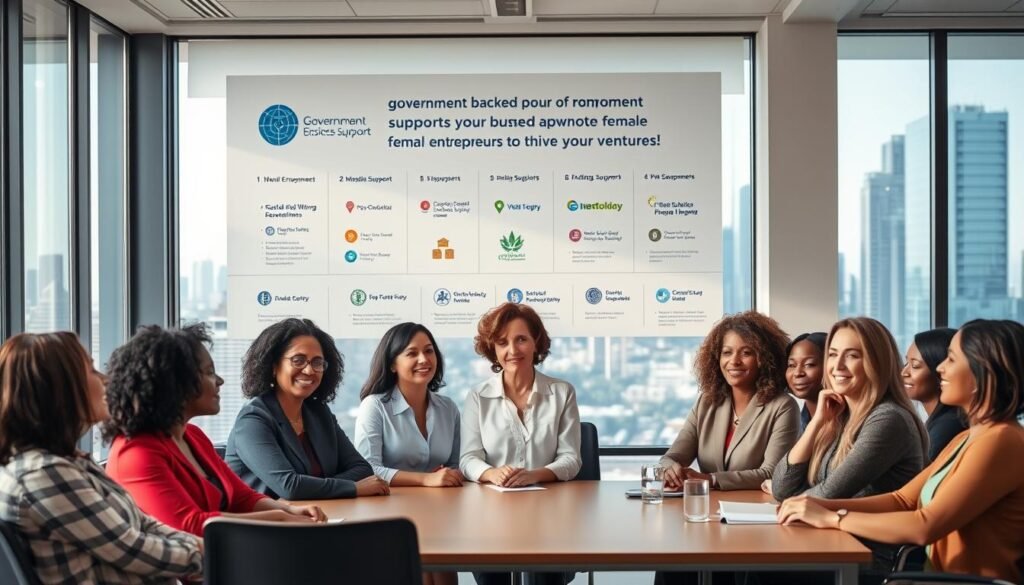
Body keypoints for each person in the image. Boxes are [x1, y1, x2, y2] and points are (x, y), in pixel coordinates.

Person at [778, 319, 1024, 584]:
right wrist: (814, 505)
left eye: (951, 359)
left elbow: (924, 526)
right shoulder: (969, 436)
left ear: (982, 373)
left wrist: (831, 517)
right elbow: (902, 500)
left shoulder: (1002, 441)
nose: (939, 368)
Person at [0, 332, 202, 585]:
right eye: (93, 370)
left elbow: (143, 524)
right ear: (62, 389)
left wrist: (200, 547)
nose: (105, 380)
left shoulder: (71, 463)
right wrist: (207, 553)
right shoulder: (45, 474)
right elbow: (133, 549)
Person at [104, 324, 326, 537]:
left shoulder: (193, 436)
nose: (219, 380)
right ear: (175, 383)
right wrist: (277, 518)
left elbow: (241, 497)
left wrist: (288, 511)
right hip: (188, 571)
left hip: (227, 556)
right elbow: (189, 528)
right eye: (209, 372)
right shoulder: (135, 453)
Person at [771, 317, 928, 574]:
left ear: (876, 362)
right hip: (836, 543)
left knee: (761, 571)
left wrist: (795, 502)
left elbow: (828, 495)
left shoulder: (887, 419)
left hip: (871, 557)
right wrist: (817, 423)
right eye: (833, 355)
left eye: (852, 355)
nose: (837, 366)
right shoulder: (840, 415)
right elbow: (782, 488)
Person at [461, 302, 580, 585]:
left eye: (521, 339)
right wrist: (492, 473)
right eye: (502, 343)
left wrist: (533, 475)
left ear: (536, 343)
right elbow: (468, 458)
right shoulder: (478, 396)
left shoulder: (562, 392)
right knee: (493, 574)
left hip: (551, 513)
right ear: (493, 349)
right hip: (492, 515)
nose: (512, 350)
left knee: (545, 575)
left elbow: (571, 459)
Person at [226, 318, 388, 499]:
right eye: (298, 360)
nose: (309, 370)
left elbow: (362, 469)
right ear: (273, 366)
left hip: (316, 515)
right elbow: (291, 487)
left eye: (317, 362)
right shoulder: (253, 420)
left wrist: (313, 487)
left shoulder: (318, 412)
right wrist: (354, 488)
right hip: (261, 523)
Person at [355, 323, 461, 585]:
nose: (424, 359)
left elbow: (457, 463)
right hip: (392, 512)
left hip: (440, 512)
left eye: (429, 351)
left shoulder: (448, 407)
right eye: (411, 353)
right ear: (392, 364)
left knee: (446, 573)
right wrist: (426, 479)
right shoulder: (375, 406)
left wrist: (450, 474)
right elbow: (368, 469)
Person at [660, 311, 799, 492]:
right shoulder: (707, 402)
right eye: (727, 352)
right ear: (717, 358)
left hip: (755, 512)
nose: (734, 361)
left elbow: (771, 473)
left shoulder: (783, 407)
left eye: (746, 353)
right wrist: (669, 468)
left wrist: (711, 479)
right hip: (708, 508)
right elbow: (673, 456)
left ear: (765, 359)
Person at [903, 327, 966, 462]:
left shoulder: (948, 426)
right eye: (906, 362)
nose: (904, 372)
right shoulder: (941, 422)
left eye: (915, 365)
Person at [787, 332, 827, 436]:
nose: (797, 373)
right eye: (791, 365)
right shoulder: (796, 423)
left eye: (809, 364)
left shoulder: (853, 420)